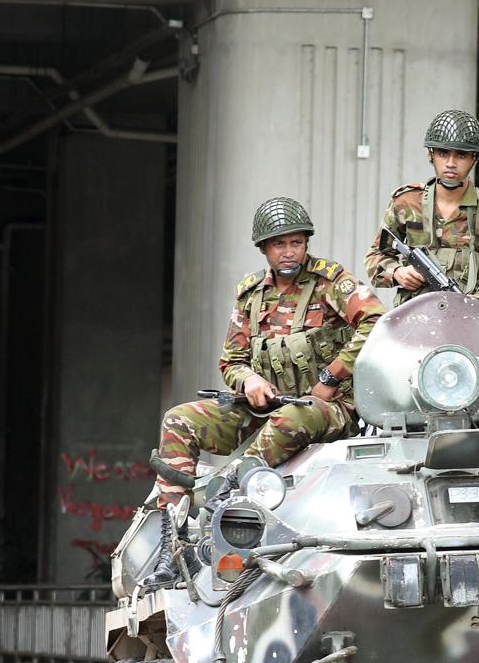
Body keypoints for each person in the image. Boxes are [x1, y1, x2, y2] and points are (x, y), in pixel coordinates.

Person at [152, 197, 384, 508]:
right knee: (178, 419)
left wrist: (331, 376)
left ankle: (228, 487)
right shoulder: (251, 295)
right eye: (279, 244)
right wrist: (249, 381)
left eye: (296, 242)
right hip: (265, 410)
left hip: (327, 410)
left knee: (291, 417)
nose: (289, 251)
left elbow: (376, 321)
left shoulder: (330, 282)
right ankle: (173, 520)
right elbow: (231, 361)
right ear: (264, 248)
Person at [362, 109, 479, 308]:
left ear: (474, 159)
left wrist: (469, 305)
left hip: (468, 320)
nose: (451, 163)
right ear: (431, 155)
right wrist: (397, 272)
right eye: (443, 153)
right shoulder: (407, 202)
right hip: (414, 317)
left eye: (461, 155)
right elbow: (375, 257)